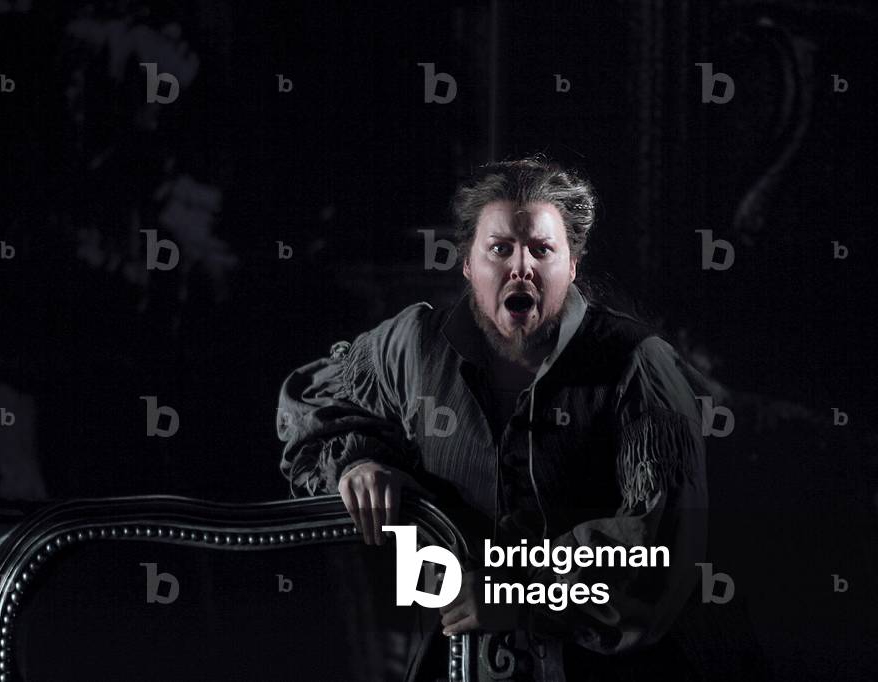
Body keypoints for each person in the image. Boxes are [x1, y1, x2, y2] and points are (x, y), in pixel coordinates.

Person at [276, 156, 709, 680]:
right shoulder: (413, 346)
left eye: (541, 250)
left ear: (572, 265)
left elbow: (658, 548)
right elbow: (312, 405)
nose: (520, 267)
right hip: (448, 665)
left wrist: (523, 594)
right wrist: (358, 461)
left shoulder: (637, 364)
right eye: (500, 248)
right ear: (467, 264)